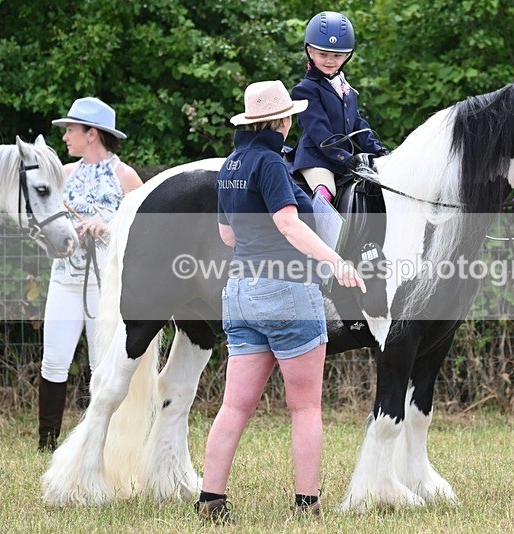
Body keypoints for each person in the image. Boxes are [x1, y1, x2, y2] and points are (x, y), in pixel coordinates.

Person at [195, 80, 366, 524]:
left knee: (234, 406)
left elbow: (226, 235)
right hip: (287, 289)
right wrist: (335, 262)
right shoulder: (271, 162)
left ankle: (211, 500)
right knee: (305, 406)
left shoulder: (232, 163)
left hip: (239, 292)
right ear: (283, 120)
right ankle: (306, 508)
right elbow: (289, 225)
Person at [38, 97, 143, 451]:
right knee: (54, 359)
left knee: (103, 364)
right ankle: (47, 442)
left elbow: (144, 229)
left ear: (92, 133)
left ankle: (102, 441)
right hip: (64, 281)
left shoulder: (124, 176)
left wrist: (108, 225)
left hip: (106, 285)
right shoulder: (64, 175)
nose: (65, 137)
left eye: (70, 129)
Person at [291, 10, 388, 202]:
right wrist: (346, 158)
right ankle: (312, 231)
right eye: (323, 54)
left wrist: (378, 151)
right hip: (317, 159)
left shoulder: (346, 88)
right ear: (310, 51)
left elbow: (358, 124)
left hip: (345, 158)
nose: (330, 60)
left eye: (337, 55)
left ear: (347, 56)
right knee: (326, 193)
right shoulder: (305, 89)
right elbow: (320, 132)